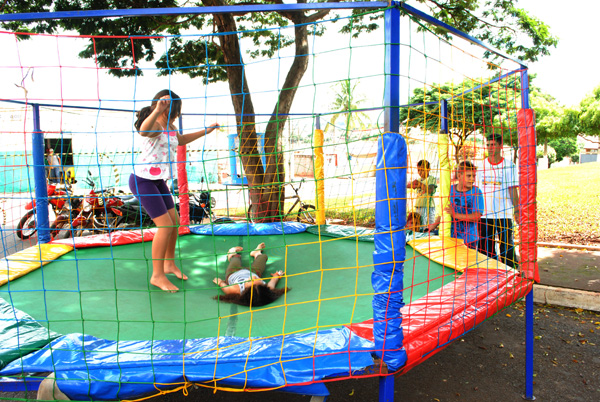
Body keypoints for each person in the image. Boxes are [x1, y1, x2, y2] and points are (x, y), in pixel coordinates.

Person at [130, 89, 219, 292]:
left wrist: (207, 130)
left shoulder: (170, 126)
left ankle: (169, 264)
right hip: (142, 180)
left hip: (158, 180)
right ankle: (157, 275)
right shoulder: (155, 125)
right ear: (160, 105)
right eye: (169, 107)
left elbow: (181, 140)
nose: (174, 112)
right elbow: (143, 131)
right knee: (165, 226)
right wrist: (157, 110)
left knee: (175, 222)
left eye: (174, 109)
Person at [476, 134, 519, 267]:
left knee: (506, 246)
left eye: (493, 144)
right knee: (485, 247)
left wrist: (517, 210)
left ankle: (511, 272)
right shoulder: (481, 165)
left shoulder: (509, 166)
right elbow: (477, 190)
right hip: (484, 214)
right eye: (488, 145)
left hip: (503, 214)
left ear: (500, 146)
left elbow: (513, 189)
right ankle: (489, 272)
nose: (490, 148)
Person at [213, 243, 289, 307]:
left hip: (234, 273)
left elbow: (226, 289)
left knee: (235, 259)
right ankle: (256, 253)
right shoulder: (265, 289)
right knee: (263, 257)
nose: (253, 277)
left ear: (245, 289)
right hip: (253, 271)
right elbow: (272, 282)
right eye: (257, 279)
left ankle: (232, 253)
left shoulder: (237, 289)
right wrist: (277, 275)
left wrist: (220, 282)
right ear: (264, 287)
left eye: (250, 281)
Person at [429, 161, 484, 249]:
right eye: (469, 176)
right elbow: (444, 211)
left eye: (474, 176)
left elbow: (476, 216)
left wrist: (455, 214)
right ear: (459, 176)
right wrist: (433, 226)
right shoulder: (449, 190)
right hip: (451, 237)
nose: (472, 179)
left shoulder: (477, 192)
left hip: (469, 240)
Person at [407, 160, 437, 227]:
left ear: (428, 169)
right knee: (420, 225)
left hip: (429, 207)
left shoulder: (432, 179)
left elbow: (430, 190)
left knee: (429, 226)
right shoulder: (418, 180)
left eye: (422, 170)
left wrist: (420, 185)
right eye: (418, 170)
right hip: (418, 207)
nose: (420, 172)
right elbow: (409, 185)